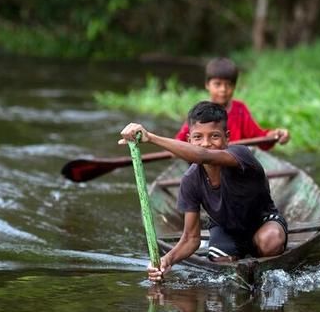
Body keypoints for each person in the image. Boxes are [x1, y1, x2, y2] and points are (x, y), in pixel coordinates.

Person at [119, 101, 288, 282]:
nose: (206, 144)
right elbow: (191, 238)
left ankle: (264, 269)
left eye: (214, 136)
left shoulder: (240, 155)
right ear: (189, 141)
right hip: (225, 228)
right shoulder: (190, 180)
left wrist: (150, 138)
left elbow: (202, 155)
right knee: (221, 262)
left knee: (271, 241)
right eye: (198, 137)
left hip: (262, 221)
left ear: (227, 138)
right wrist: (166, 260)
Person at [174, 57, 290, 150]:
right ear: (207, 85)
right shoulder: (200, 112)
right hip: (204, 164)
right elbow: (180, 141)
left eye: (228, 85)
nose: (223, 89)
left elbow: (259, 137)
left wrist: (276, 135)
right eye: (218, 84)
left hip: (233, 164)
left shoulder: (240, 109)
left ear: (234, 87)